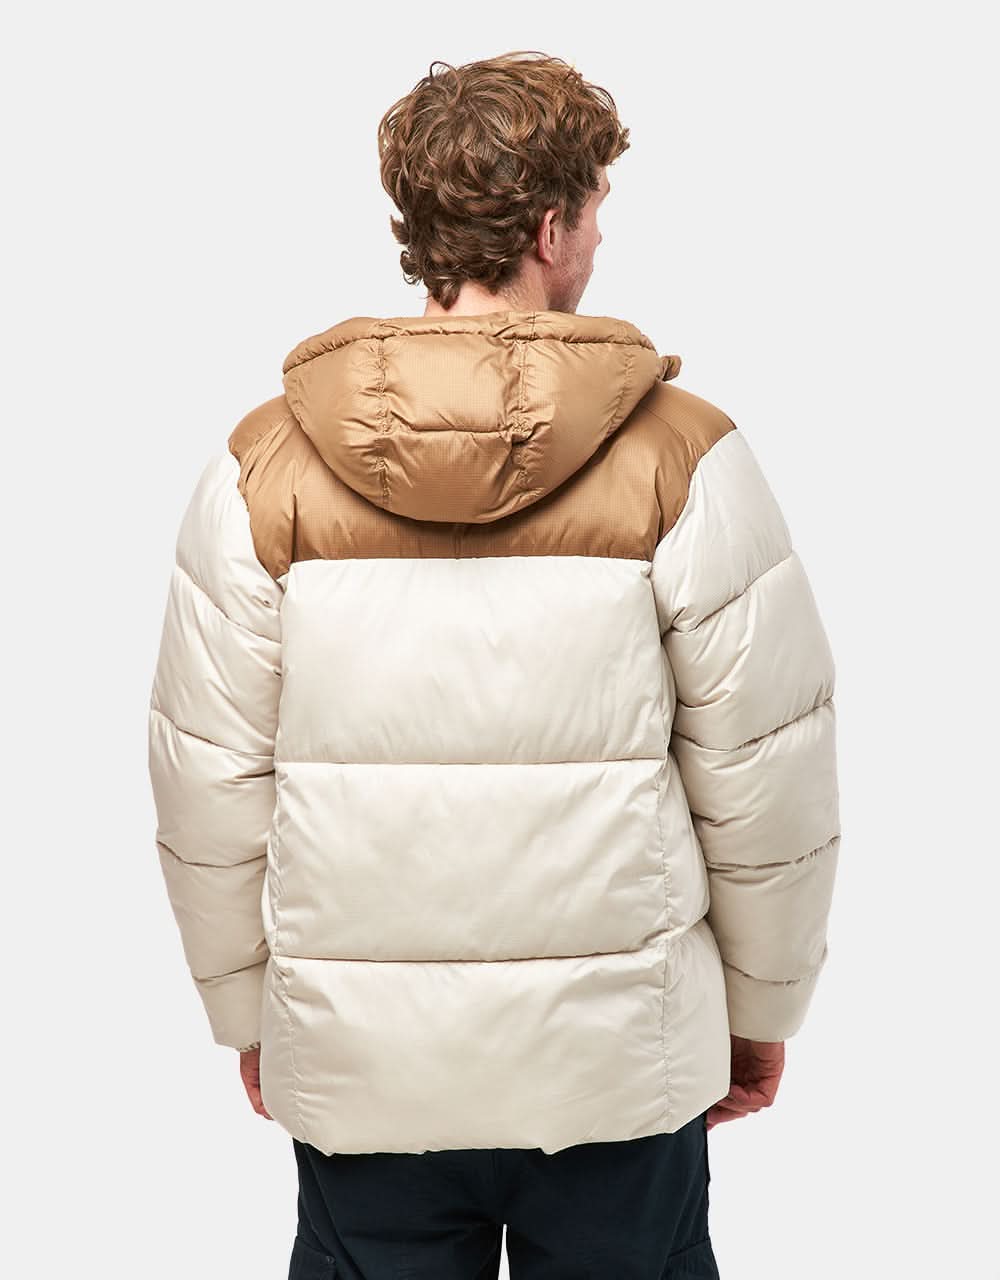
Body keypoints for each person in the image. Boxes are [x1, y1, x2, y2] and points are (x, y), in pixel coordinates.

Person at [147, 49, 840, 1280]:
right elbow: (767, 778)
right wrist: (759, 1007)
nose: (600, 239)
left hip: (367, 1069)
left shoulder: (263, 469)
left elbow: (206, 783)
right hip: (619, 1064)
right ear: (548, 227)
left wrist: (249, 1014)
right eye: (598, 210)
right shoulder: (684, 459)